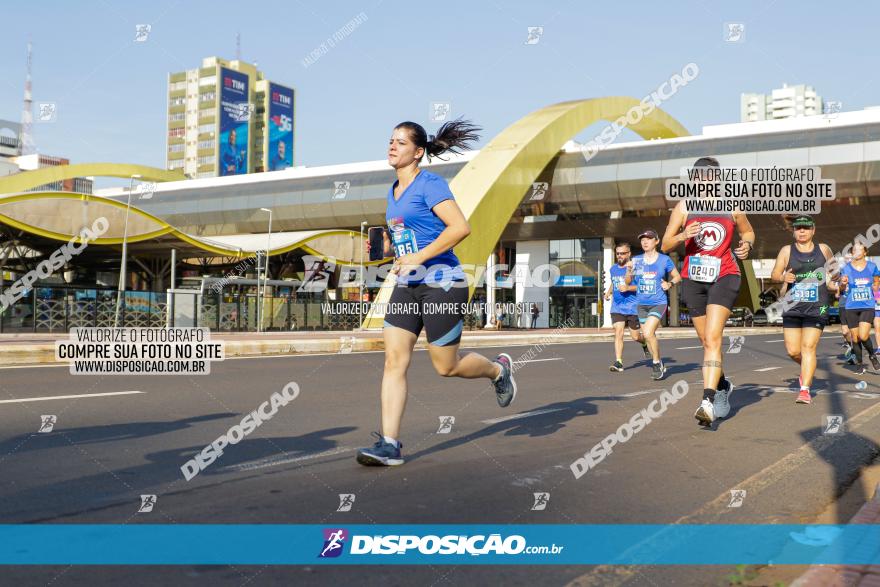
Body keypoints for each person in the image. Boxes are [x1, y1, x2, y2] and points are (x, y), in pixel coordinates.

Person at [356, 118, 518, 467]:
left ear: (417, 152)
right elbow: (409, 236)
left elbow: (461, 227)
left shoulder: (430, 184)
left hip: (443, 282)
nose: (392, 146)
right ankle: (389, 444)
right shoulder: (393, 190)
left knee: (446, 366)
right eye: (390, 139)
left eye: (400, 142)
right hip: (408, 285)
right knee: (393, 361)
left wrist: (419, 256)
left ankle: (498, 371)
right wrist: (390, 249)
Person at [661, 156, 755, 427]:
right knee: (706, 341)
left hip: (725, 274)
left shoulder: (732, 205)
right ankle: (724, 386)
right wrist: (683, 235)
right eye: (700, 176)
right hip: (694, 278)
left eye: (711, 175)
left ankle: (707, 400)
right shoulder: (684, 206)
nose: (706, 180)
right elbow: (666, 244)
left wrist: (746, 245)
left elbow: (749, 232)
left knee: (713, 339)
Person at [770, 215, 836, 404]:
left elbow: (835, 272)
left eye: (806, 228)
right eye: (798, 228)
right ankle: (808, 367)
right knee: (793, 351)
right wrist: (783, 278)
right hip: (792, 306)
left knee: (808, 348)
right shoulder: (786, 250)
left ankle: (805, 390)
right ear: (793, 231)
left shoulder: (823, 249)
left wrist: (840, 280)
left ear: (813, 230)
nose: (802, 231)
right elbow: (774, 273)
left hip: (817, 307)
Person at [625, 229, 681, 380]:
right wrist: (629, 271)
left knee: (648, 333)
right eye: (642, 239)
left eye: (649, 239)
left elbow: (677, 276)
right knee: (648, 336)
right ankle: (659, 361)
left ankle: (656, 363)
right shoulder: (636, 260)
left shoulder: (664, 260)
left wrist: (669, 284)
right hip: (641, 304)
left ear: (656, 241)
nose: (645, 241)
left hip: (658, 302)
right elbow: (628, 282)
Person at [605, 242, 650, 372]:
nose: (619, 256)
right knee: (618, 333)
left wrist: (628, 287)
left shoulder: (637, 267)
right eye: (617, 253)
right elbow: (615, 282)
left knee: (635, 336)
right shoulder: (613, 268)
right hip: (617, 306)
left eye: (622, 253)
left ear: (629, 254)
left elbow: (643, 286)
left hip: (633, 306)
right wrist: (609, 292)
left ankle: (644, 343)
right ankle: (619, 362)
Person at [839, 242, 880, 374]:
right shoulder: (846, 269)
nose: (857, 252)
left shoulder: (872, 267)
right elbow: (841, 288)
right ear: (852, 253)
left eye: (860, 249)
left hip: (867, 306)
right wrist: (843, 284)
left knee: (863, 335)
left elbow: (876, 281)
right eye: (854, 250)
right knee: (855, 338)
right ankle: (859, 363)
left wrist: (875, 288)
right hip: (851, 307)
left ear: (865, 252)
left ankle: (872, 356)